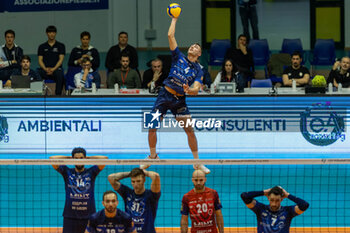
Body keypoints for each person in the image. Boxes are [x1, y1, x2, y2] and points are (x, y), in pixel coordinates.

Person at [142, 16, 210, 174]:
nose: (193, 47)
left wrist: (190, 90)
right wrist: (174, 19)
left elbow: (196, 89)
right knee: (152, 128)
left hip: (179, 101)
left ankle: (197, 162)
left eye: (196, 47)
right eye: (192, 45)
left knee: (190, 130)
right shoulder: (178, 57)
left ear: (199, 53)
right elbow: (170, 36)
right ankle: (152, 157)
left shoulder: (199, 70)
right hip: (164, 95)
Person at [50, 147, 108, 233]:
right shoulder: (67, 172)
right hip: (70, 216)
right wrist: (70, 159)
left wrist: (87, 158)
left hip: (89, 216)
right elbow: (52, 159)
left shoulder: (91, 172)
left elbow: (105, 159)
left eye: (81, 158)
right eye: (76, 158)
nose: (79, 160)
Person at [108, 168, 161, 233]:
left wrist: (143, 172)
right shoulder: (127, 193)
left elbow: (156, 176)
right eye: (133, 181)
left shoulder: (151, 195)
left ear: (144, 180)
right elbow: (111, 178)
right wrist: (131, 173)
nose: (135, 184)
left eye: (138, 181)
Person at [241, 186, 309, 233]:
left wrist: (288, 195)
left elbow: (304, 205)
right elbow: (244, 196)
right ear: (268, 198)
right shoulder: (260, 209)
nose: (274, 204)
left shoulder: (288, 211)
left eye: (277, 200)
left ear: (282, 199)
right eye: (272, 200)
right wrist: (264, 192)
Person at [37, 25, 65, 95]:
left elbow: (61, 60)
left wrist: (53, 69)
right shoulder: (42, 46)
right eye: (50, 32)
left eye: (53, 32)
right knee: (36, 73)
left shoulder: (61, 46)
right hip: (45, 69)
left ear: (55, 33)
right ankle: (39, 93)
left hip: (56, 69)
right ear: (46, 33)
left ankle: (58, 95)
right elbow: (40, 60)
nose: (51, 34)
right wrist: (45, 69)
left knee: (60, 74)